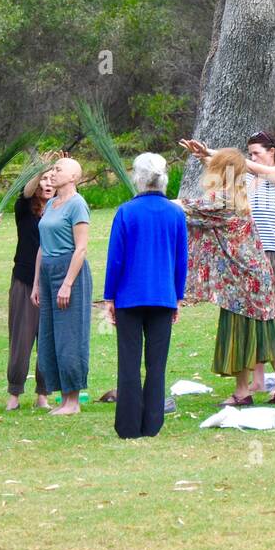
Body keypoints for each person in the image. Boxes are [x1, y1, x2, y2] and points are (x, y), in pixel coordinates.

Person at [179, 131, 275, 403]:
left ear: (272, 152)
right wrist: (209, 156)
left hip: (269, 255)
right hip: (254, 259)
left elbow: (228, 175)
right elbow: (227, 174)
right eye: (248, 154)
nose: (251, 159)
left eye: (256, 153)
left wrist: (224, 158)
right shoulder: (244, 185)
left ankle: (261, 387)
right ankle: (271, 383)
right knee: (263, 320)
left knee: (269, 319)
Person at [104, 153, 188, 439]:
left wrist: (109, 296)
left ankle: (128, 425)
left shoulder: (126, 212)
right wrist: (178, 296)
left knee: (128, 361)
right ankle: (152, 423)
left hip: (129, 295)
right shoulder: (176, 213)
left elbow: (116, 258)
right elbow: (181, 259)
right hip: (163, 296)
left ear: (138, 177)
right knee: (156, 363)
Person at [31, 158, 92, 416]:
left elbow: (81, 248)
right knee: (49, 337)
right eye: (53, 169)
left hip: (70, 272)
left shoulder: (77, 204)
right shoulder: (51, 205)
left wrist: (67, 284)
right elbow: (42, 247)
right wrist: (36, 283)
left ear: (74, 176)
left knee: (69, 336)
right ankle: (62, 397)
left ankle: (73, 402)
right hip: (47, 272)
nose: (53, 173)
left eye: (59, 169)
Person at [6, 166, 54, 411]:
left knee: (47, 341)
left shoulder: (61, 210)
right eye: (43, 179)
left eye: (51, 179)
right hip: (24, 281)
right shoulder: (24, 208)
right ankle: (14, 394)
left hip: (52, 283)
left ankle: (42, 395)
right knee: (21, 340)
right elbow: (26, 192)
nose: (47, 183)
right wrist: (39, 170)